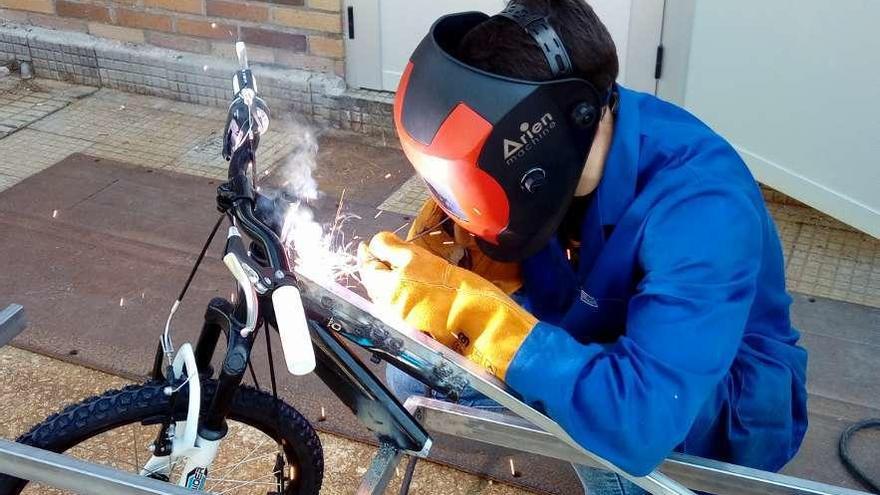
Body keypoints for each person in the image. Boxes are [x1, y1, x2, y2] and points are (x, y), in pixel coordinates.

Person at [357, 1, 808, 493]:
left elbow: (641, 421)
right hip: (592, 325)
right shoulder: (561, 161)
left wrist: (484, 317)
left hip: (699, 405)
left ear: (543, 145)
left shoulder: (704, 206)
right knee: (414, 376)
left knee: (610, 442)